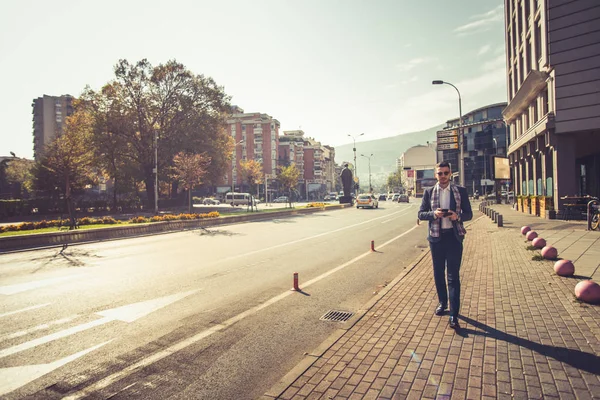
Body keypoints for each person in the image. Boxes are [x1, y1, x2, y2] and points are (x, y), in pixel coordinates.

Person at [418, 161, 472, 329]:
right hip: (436, 239)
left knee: (453, 277)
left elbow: (469, 214)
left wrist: (458, 216)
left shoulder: (460, 191)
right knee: (438, 273)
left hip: (454, 238)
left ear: (450, 174)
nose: (443, 176)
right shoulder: (428, 192)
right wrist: (434, 214)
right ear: (436, 175)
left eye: (446, 173)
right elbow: (421, 214)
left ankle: (454, 315)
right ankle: (443, 303)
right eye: (440, 173)